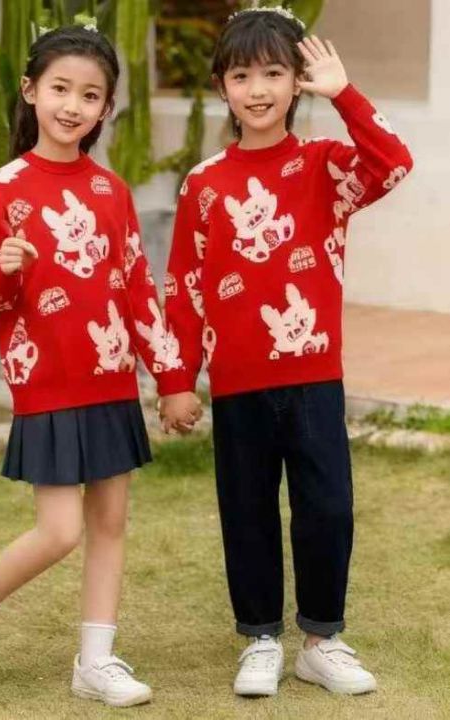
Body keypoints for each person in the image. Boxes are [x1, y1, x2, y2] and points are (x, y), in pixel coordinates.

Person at [159, 5, 413, 697]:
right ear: (221, 86)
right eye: (241, 75)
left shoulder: (325, 166)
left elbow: (393, 163)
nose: (258, 89)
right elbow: (184, 286)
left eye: (273, 73)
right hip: (236, 383)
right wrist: (176, 379)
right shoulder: (204, 183)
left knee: (327, 506)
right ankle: (261, 639)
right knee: (246, 511)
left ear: (295, 82)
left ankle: (321, 640)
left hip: (314, 377)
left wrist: (344, 93)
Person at [0, 23, 192, 707]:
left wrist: (171, 380)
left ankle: (95, 661)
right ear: (30, 91)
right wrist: (3, 266)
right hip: (46, 382)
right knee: (60, 531)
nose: (72, 106)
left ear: (106, 107)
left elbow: (136, 287)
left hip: (111, 380)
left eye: (90, 94)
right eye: (60, 89)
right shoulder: (1, 189)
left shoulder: (112, 191)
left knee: (109, 524)